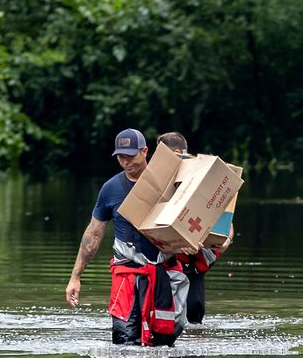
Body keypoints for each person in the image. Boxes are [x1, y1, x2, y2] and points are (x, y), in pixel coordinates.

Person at [66, 128, 189, 345]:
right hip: (127, 274)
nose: (125, 161)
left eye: (130, 155)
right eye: (120, 157)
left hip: (164, 273)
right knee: (124, 342)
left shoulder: (171, 183)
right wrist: (76, 276)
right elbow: (94, 232)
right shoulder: (111, 189)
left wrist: (191, 241)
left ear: (145, 151)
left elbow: (194, 219)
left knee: (164, 340)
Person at [154, 130, 231, 325]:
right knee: (163, 317)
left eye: (162, 154)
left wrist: (226, 239)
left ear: (179, 152)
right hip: (166, 258)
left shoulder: (202, 177)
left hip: (194, 259)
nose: (158, 160)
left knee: (194, 315)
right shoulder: (156, 180)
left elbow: (226, 216)